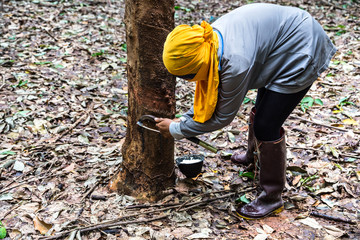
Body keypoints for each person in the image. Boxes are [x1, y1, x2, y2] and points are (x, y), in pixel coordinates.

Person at [155, 3, 336, 219]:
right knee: (263, 110)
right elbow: (214, 96)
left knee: (266, 125)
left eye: (187, 75)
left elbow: (222, 117)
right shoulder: (206, 41)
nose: (187, 81)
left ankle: (272, 197)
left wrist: (177, 129)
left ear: (199, 62)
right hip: (279, 43)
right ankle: (253, 157)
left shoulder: (235, 62)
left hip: (301, 48)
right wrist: (185, 120)